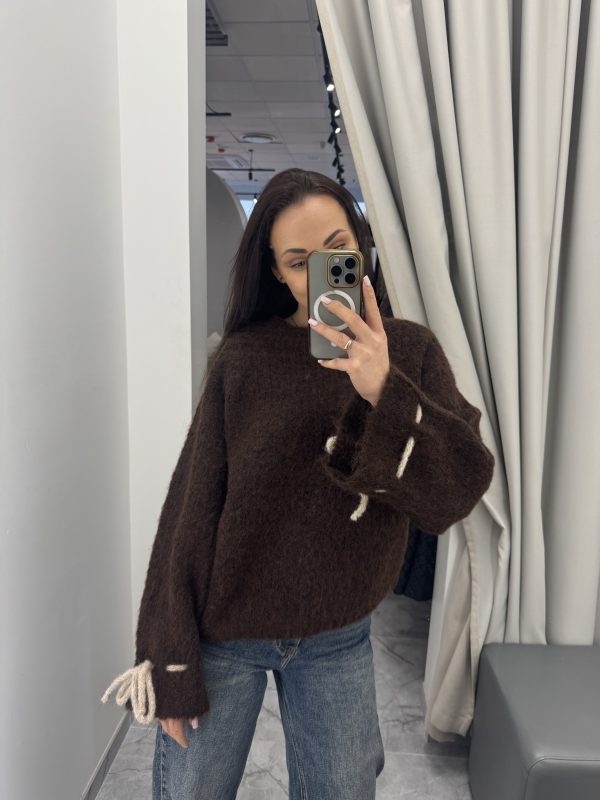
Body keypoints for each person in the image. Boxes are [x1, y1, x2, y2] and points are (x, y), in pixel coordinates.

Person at [101, 168, 495, 799]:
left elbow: (455, 493)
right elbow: (191, 509)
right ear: (277, 273)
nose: (321, 273)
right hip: (226, 629)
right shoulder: (243, 359)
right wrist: (169, 655)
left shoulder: (410, 353)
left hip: (338, 633)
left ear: (360, 244)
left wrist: (384, 390)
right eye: (298, 261)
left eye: (336, 250)